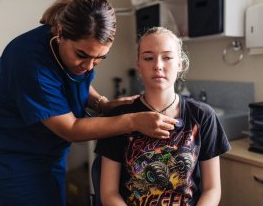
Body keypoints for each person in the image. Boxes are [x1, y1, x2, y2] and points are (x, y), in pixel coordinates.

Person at [0, 0, 178, 206]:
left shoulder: (79, 56)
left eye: (99, 58)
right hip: (12, 156)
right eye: (82, 55)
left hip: (51, 152)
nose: (89, 66)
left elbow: (74, 81)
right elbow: (69, 128)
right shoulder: (28, 61)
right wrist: (133, 121)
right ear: (61, 33)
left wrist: (102, 103)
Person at [95, 27, 231, 206]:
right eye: (148, 58)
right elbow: (109, 193)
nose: (158, 65)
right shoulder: (118, 118)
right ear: (138, 65)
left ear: (180, 64)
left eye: (167, 57)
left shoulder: (203, 116)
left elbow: (212, 189)